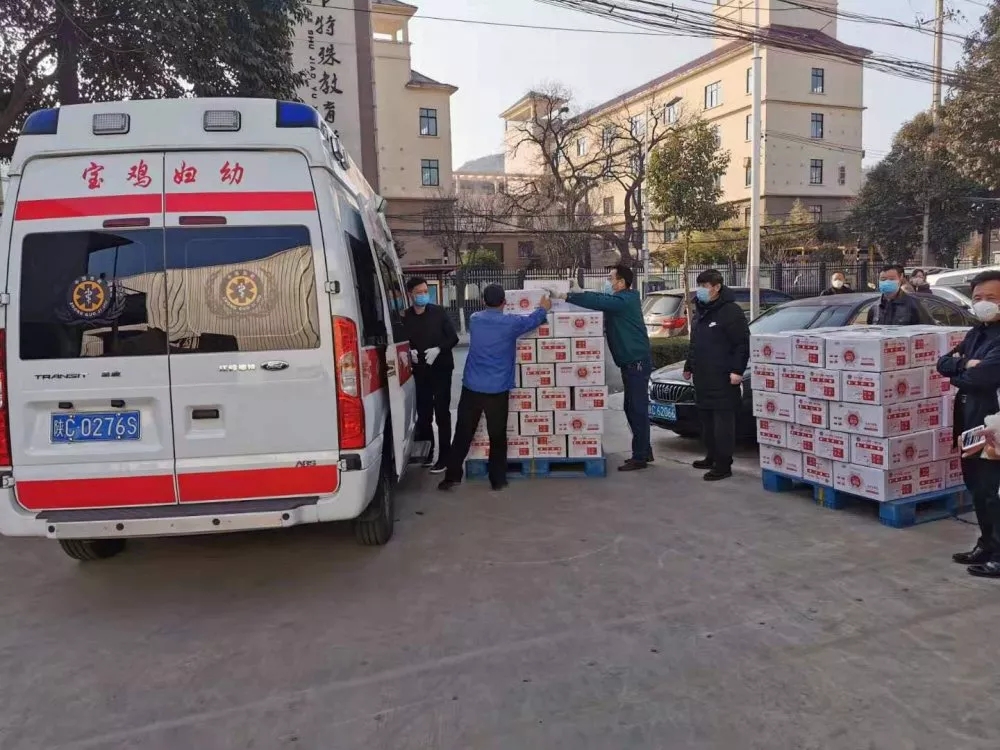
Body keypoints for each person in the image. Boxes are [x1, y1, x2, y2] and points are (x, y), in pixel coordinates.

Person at [439, 285, 551, 492]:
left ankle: (451, 477)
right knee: (497, 436)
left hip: (472, 386)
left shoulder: (475, 319)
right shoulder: (511, 323)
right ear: (504, 302)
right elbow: (532, 321)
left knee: (463, 433)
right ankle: (497, 480)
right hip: (497, 390)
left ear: (483, 301)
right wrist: (543, 308)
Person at [559, 264, 653, 471]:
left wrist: (568, 296)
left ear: (621, 282)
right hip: (630, 361)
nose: (608, 282)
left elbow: (600, 301)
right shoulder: (621, 299)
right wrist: (581, 292)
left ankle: (640, 457)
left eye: (611, 279)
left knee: (636, 408)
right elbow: (600, 298)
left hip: (636, 362)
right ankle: (644, 451)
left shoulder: (624, 301)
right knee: (632, 407)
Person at [937, 270, 1000, 578]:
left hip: (994, 424)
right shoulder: (977, 333)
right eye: (978, 298)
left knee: (993, 491)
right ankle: (986, 545)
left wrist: (959, 372)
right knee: (976, 486)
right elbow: (943, 363)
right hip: (970, 421)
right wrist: (964, 364)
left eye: (991, 298)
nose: (983, 303)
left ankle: (999, 554)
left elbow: (983, 378)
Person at [682, 269, 750, 481]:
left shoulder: (731, 312)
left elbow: (742, 344)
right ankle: (711, 456)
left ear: (717, 287)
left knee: (723, 424)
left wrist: (737, 371)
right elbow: (695, 342)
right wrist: (689, 365)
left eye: (705, 286)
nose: (700, 290)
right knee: (707, 421)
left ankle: (723, 464)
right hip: (703, 376)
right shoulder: (701, 310)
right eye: (699, 286)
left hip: (723, 376)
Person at [401, 277, 459, 473]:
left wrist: (439, 349)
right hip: (420, 371)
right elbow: (402, 341)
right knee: (424, 413)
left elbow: (453, 338)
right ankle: (427, 451)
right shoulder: (405, 317)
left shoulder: (438, 312)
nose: (423, 295)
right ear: (410, 294)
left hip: (441, 369)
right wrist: (409, 351)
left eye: (425, 292)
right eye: (419, 292)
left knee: (442, 412)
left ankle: (445, 457)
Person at [866, 264, 932, 325]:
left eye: (891, 279)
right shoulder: (875, 307)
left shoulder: (914, 305)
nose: (887, 282)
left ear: (900, 278)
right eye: (883, 279)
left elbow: (927, 328)